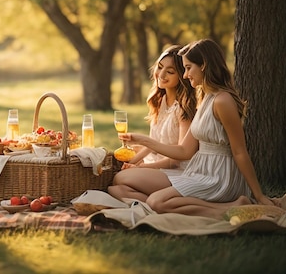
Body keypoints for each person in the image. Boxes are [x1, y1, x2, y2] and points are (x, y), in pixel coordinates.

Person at [108, 39, 274, 219]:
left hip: (218, 176)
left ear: (203, 66)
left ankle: (231, 207)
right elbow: (184, 151)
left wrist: (259, 195)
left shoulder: (223, 101)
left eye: (188, 68)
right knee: (154, 200)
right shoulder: (205, 98)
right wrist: (142, 142)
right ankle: (232, 207)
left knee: (157, 202)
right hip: (200, 171)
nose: (185, 75)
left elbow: (239, 151)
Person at [123, 45, 196, 171]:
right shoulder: (160, 102)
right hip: (156, 165)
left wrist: (141, 168)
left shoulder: (184, 109)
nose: (161, 74)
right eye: (160, 67)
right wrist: (132, 163)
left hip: (175, 170)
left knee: (120, 181)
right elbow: (153, 144)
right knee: (116, 184)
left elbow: (177, 160)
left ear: (182, 76)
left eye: (170, 72)